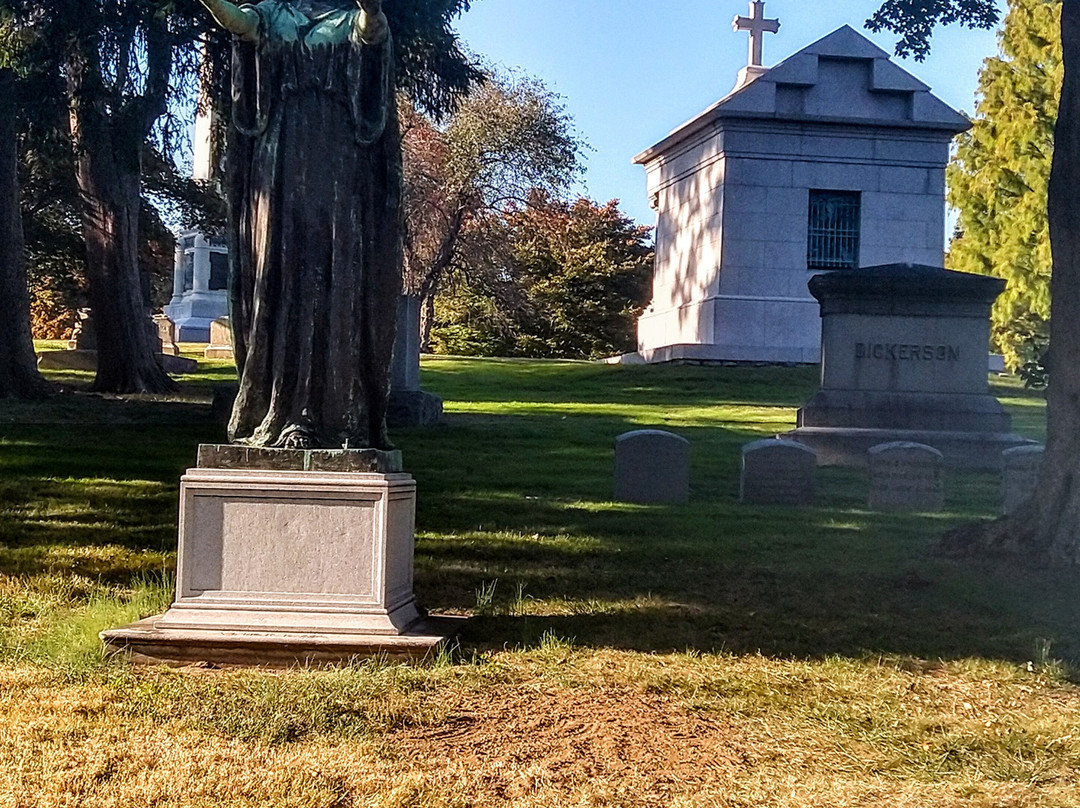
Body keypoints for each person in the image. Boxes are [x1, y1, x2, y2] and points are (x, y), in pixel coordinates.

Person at [197, 0, 401, 450]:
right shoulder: (271, 14)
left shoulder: (351, 19)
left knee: (333, 273)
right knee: (278, 272)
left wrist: (371, 9)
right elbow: (239, 24)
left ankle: (337, 412)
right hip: (279, 166)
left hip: (338, 162)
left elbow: (371, 36)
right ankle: (278, 407)